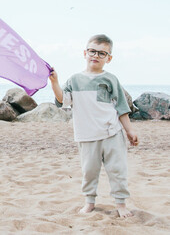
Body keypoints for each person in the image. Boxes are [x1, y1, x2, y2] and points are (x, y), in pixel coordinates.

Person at [49, 34, 139, 218]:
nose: (96, 56)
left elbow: (121, 107)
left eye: (102, 53)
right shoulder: (74, 79)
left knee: (118, 170)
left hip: (112, 133)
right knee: (89, 171)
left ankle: (121, 204)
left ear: (109, 58)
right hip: (86, 135)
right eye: (92, 51)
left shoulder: (111, 79)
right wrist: (55, 82)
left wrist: (129, 130)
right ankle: (89, 202)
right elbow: (62, 100)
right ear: (85, 53)